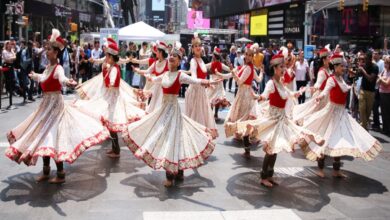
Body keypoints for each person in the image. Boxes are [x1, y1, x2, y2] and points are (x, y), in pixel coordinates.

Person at [4, 29, 110, 184]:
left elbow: (61, 78)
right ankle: (47, 172)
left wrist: (68, 82)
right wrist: (36, 76)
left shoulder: (58, 68)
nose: (46, 52)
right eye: (46, 49)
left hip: (55, 108)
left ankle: (60, 174)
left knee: (52, 138)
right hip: (45, 107)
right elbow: (45, 77)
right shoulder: (48, 67)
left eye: (49, 50)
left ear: (56, 53)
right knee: (44, 138)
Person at [122, 43, 217, 187]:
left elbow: (196, 81)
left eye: (175, 56)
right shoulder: (165, 74)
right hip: (163, 110)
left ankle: (174, 174)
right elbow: (153, 79)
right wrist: (139, 76)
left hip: (174, 111)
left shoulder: (180, 75)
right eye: (171, 55)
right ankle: (175, 173)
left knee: (174, 139)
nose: (172, 57)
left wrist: (208, 81)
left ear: (179, 61)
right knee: (166, 138)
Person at [236, 51, 324, 187]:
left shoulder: (281, 84)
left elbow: (289, 94)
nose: (283, 70)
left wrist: (299, 92)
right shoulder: (271, 84)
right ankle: (263, 177)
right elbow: (265, 95)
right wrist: (258, 97)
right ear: (275, 69)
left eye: (284, 67)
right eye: (281, 67)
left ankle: (270, 175)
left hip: (282, 119)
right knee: (271, 148)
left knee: (275, 148)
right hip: (273, 118)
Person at [302, 53, 382, 178]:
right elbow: (325, 92)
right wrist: (320, 97)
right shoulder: (331, 79)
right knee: (326, 139)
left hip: (341, 113)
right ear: (335, 67)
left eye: (343, 66)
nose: (343, 68)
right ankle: (320, 168)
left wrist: (350, 83)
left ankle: (336, 170)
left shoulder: (341, 79)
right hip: (332, 112)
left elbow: (345, 88)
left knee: (339, 140)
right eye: (341, 67)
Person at [75, 41, 145, 158]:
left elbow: (113, 80)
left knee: (111, 124)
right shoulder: (112, 66)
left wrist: (111, 82)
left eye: (107, 56)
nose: (105, 58)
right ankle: (115, 149)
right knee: (110, 124)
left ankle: (116, 150)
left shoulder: (114, 69)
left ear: (111, 57)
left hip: (113, 99)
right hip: (110, 98)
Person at [224, 45, 262, 157]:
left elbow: (239, 82)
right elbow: (259, 79)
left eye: (251, 55)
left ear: (253, 56)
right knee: (245, 118)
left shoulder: (249, 68)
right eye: (247, 54)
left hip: (245, 94)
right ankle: (246, 145)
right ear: (245, 55)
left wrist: (233, 72)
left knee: (243, 118)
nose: (249, 57)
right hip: (244, 93)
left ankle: (246, 145)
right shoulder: (247, 67)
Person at [185, 33, 218, 139]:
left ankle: (199, 144)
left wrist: (208, 85)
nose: (198, 47)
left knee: (203, 117)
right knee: (196, 119)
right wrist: (207, 82)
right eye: (195, 46)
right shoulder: (193, 61)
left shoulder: (202, 60)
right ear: (192, 49)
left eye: (199, 45)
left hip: (201, 92)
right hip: (195, 92)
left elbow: (203, 74)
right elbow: (194, 78)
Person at [293, 48, 331, 125]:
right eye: (328, 57)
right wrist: (308, 88)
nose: (330, 59)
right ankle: (301, 120)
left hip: (327, 96)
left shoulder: (328, 70)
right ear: (324, 60)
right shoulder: (322, 71)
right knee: (313, 113)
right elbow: (317, 85)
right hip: (321, 96)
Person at [133, 41, 168, 113]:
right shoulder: (156, 63)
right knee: (153, 107)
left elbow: (166, 75)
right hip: (156, 87)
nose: (156, 52)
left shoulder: (167, 63)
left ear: (161, 52)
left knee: (160, 108)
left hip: (164, 89)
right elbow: (147, 71)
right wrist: (137, 70)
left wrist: (152, 78)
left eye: (157, 51)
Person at [206, 47, 232, 119]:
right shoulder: (221, 64)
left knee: (210, 99)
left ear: (214, 56)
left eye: (213, 55)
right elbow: (229, 69)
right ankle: (215, 115)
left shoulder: (211, 64)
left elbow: (203, 67)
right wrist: (232, 68)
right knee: (217, 99)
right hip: (219, 83)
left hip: (212, 83)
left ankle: (211, 115)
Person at [358, 52, 379, 130]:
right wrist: (358, 70)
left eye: (365, 59)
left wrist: (363, 70)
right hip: (362, 90)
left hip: (371, 92)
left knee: (368, 111)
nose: (364, 61)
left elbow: (370, 79)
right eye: (363, 59)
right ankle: (364, 126)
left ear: (370, 59)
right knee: (362, 109)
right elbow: (358, 75)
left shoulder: (375, 67)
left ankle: (364, 124)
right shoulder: (364, 66)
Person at [1, 41, 17, 109]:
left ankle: (11, 93)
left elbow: (15, 57)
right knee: (8, 81)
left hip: (11, 67)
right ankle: (8, 91)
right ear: (6, 45)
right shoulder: (4, 51)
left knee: (13, 80)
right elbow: (6, 59)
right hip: (6, 67)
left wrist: (11, 58)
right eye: (9, 44)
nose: (10, 45)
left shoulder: (12, 50)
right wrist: (11, 58)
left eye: (10, 44)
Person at [378, 56, 390, 135]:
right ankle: (385, 128)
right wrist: (381, 79)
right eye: (385, 62)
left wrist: (380, 78)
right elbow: (377, 82)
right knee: (383, 112)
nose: (385, 64)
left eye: (387, 63)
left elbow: (386, 84)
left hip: (388, 94)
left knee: (388, 112)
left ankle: (388, 129)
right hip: (381, 93)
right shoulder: (383, 71)